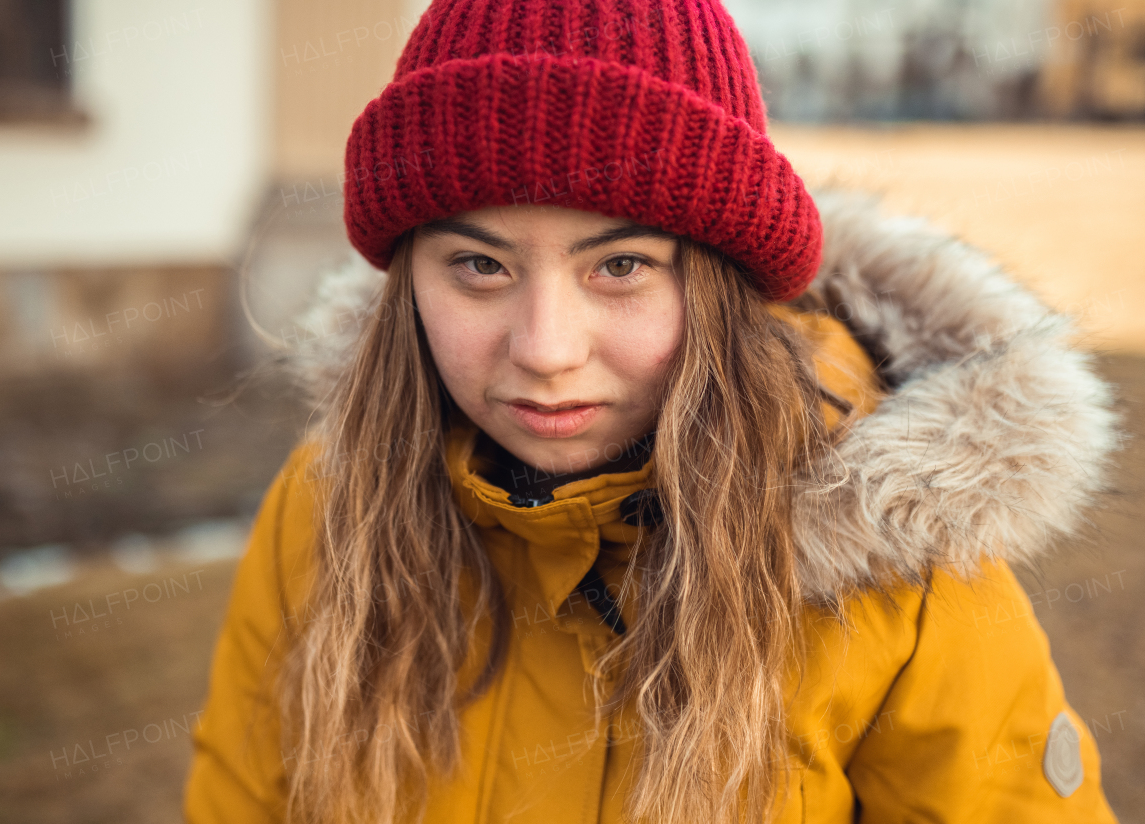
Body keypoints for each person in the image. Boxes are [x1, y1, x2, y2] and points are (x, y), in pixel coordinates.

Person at [183, 0, 1123, 821]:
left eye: (620, 267)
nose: (546, 349)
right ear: (406, 278)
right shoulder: (328, 509)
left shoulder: (897, 563)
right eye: (480, 266)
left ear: (714, 286)